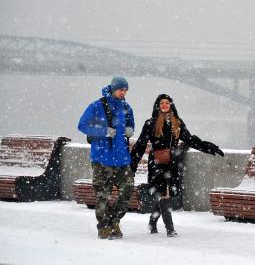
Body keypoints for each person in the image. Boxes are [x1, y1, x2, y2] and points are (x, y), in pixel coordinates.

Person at [130, 94, 224, 237]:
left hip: (171, 163)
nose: (164, 105)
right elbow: (141, 144)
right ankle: (170, 228)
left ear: (171, 105)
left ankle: (152, 221)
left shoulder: (177, 123)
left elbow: (190, 139)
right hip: (157, 163)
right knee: (163, 194)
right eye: (162, 103)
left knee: (164, 194)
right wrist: (132, 165)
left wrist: (209, 148)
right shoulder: (151, 123)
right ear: (158, 105)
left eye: (167, 103)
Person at [78, 76, 135, 239]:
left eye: (125, 90)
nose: (123, 93)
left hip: (122, 159)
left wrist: (130, 129)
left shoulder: (126, 107)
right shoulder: (97, 106)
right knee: (103, 195)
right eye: (121, 89)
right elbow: (82, 125)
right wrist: (103, 131)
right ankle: (103, 226)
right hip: (102, 159)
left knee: (127, 189)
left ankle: (114, 221)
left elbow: (131, 123)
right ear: (112, 89)